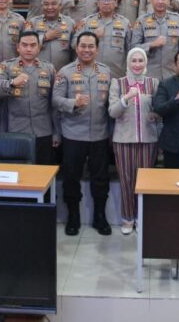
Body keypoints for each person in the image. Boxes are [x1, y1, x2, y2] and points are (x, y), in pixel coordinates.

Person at [52, 31, 113, 236]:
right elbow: (55, 100)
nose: (87, 50)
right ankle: (73, 217)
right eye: (83, 46)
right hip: (73, 135)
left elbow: (110, 105)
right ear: (76, 48)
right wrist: (72, 103)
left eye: (91, 46)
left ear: (97, 49)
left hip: (100, 134)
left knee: (100, 178)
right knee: (71, 178)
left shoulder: (106, 72)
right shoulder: (65, 72)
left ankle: (100, 217)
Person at [108, 47, 160, 234]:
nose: (137, 64)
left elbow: (159, 109)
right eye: (133, 60)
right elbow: (113, 112)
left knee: (144, 181)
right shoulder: (118, 83)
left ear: (146, 63)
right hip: (123, 140)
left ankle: (141, 218)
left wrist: (155, 114)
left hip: (148, 139)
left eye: (140, 61)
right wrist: (126, 98)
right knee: (126, 180)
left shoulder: (153, 83)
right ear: (128, 63)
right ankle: (127, 218)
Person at [0, 32, 59, 165]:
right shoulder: (6, 66)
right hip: (15, 129)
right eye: (25, 45)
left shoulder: (49, 68)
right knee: (18, 174)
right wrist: (11, 83)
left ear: (38, 48)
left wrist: (56, 132)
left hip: (43, 130)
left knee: (42, 174)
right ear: (18, 47)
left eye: (33, 45)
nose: (29, 49)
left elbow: (55, 104)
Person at [131, 0, 179, 81]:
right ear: (151, 0)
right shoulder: (142, 20)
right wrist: (152, 44)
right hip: (148, 75)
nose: (160, 1)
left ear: (169, 0)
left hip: (173, 74)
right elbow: (133, 48)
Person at [74, 0, 131, 78]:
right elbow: (74, 44)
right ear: (98, 3)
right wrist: (93, 36)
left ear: (116, 3)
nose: (106, 2)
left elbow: (130, 50)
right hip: (90, 74)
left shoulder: (125, 23)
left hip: (116, 74)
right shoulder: (86, 22)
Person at [25, 0, 74, 72]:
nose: (50, 7)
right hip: (37, 72)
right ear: (41, 6)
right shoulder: (33, 23)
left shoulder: (70, 23)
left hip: (63, 72)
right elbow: (25, 45)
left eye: (54, 4)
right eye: (46, 4)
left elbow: (75, 49)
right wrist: (44, 37)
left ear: (60, 5)